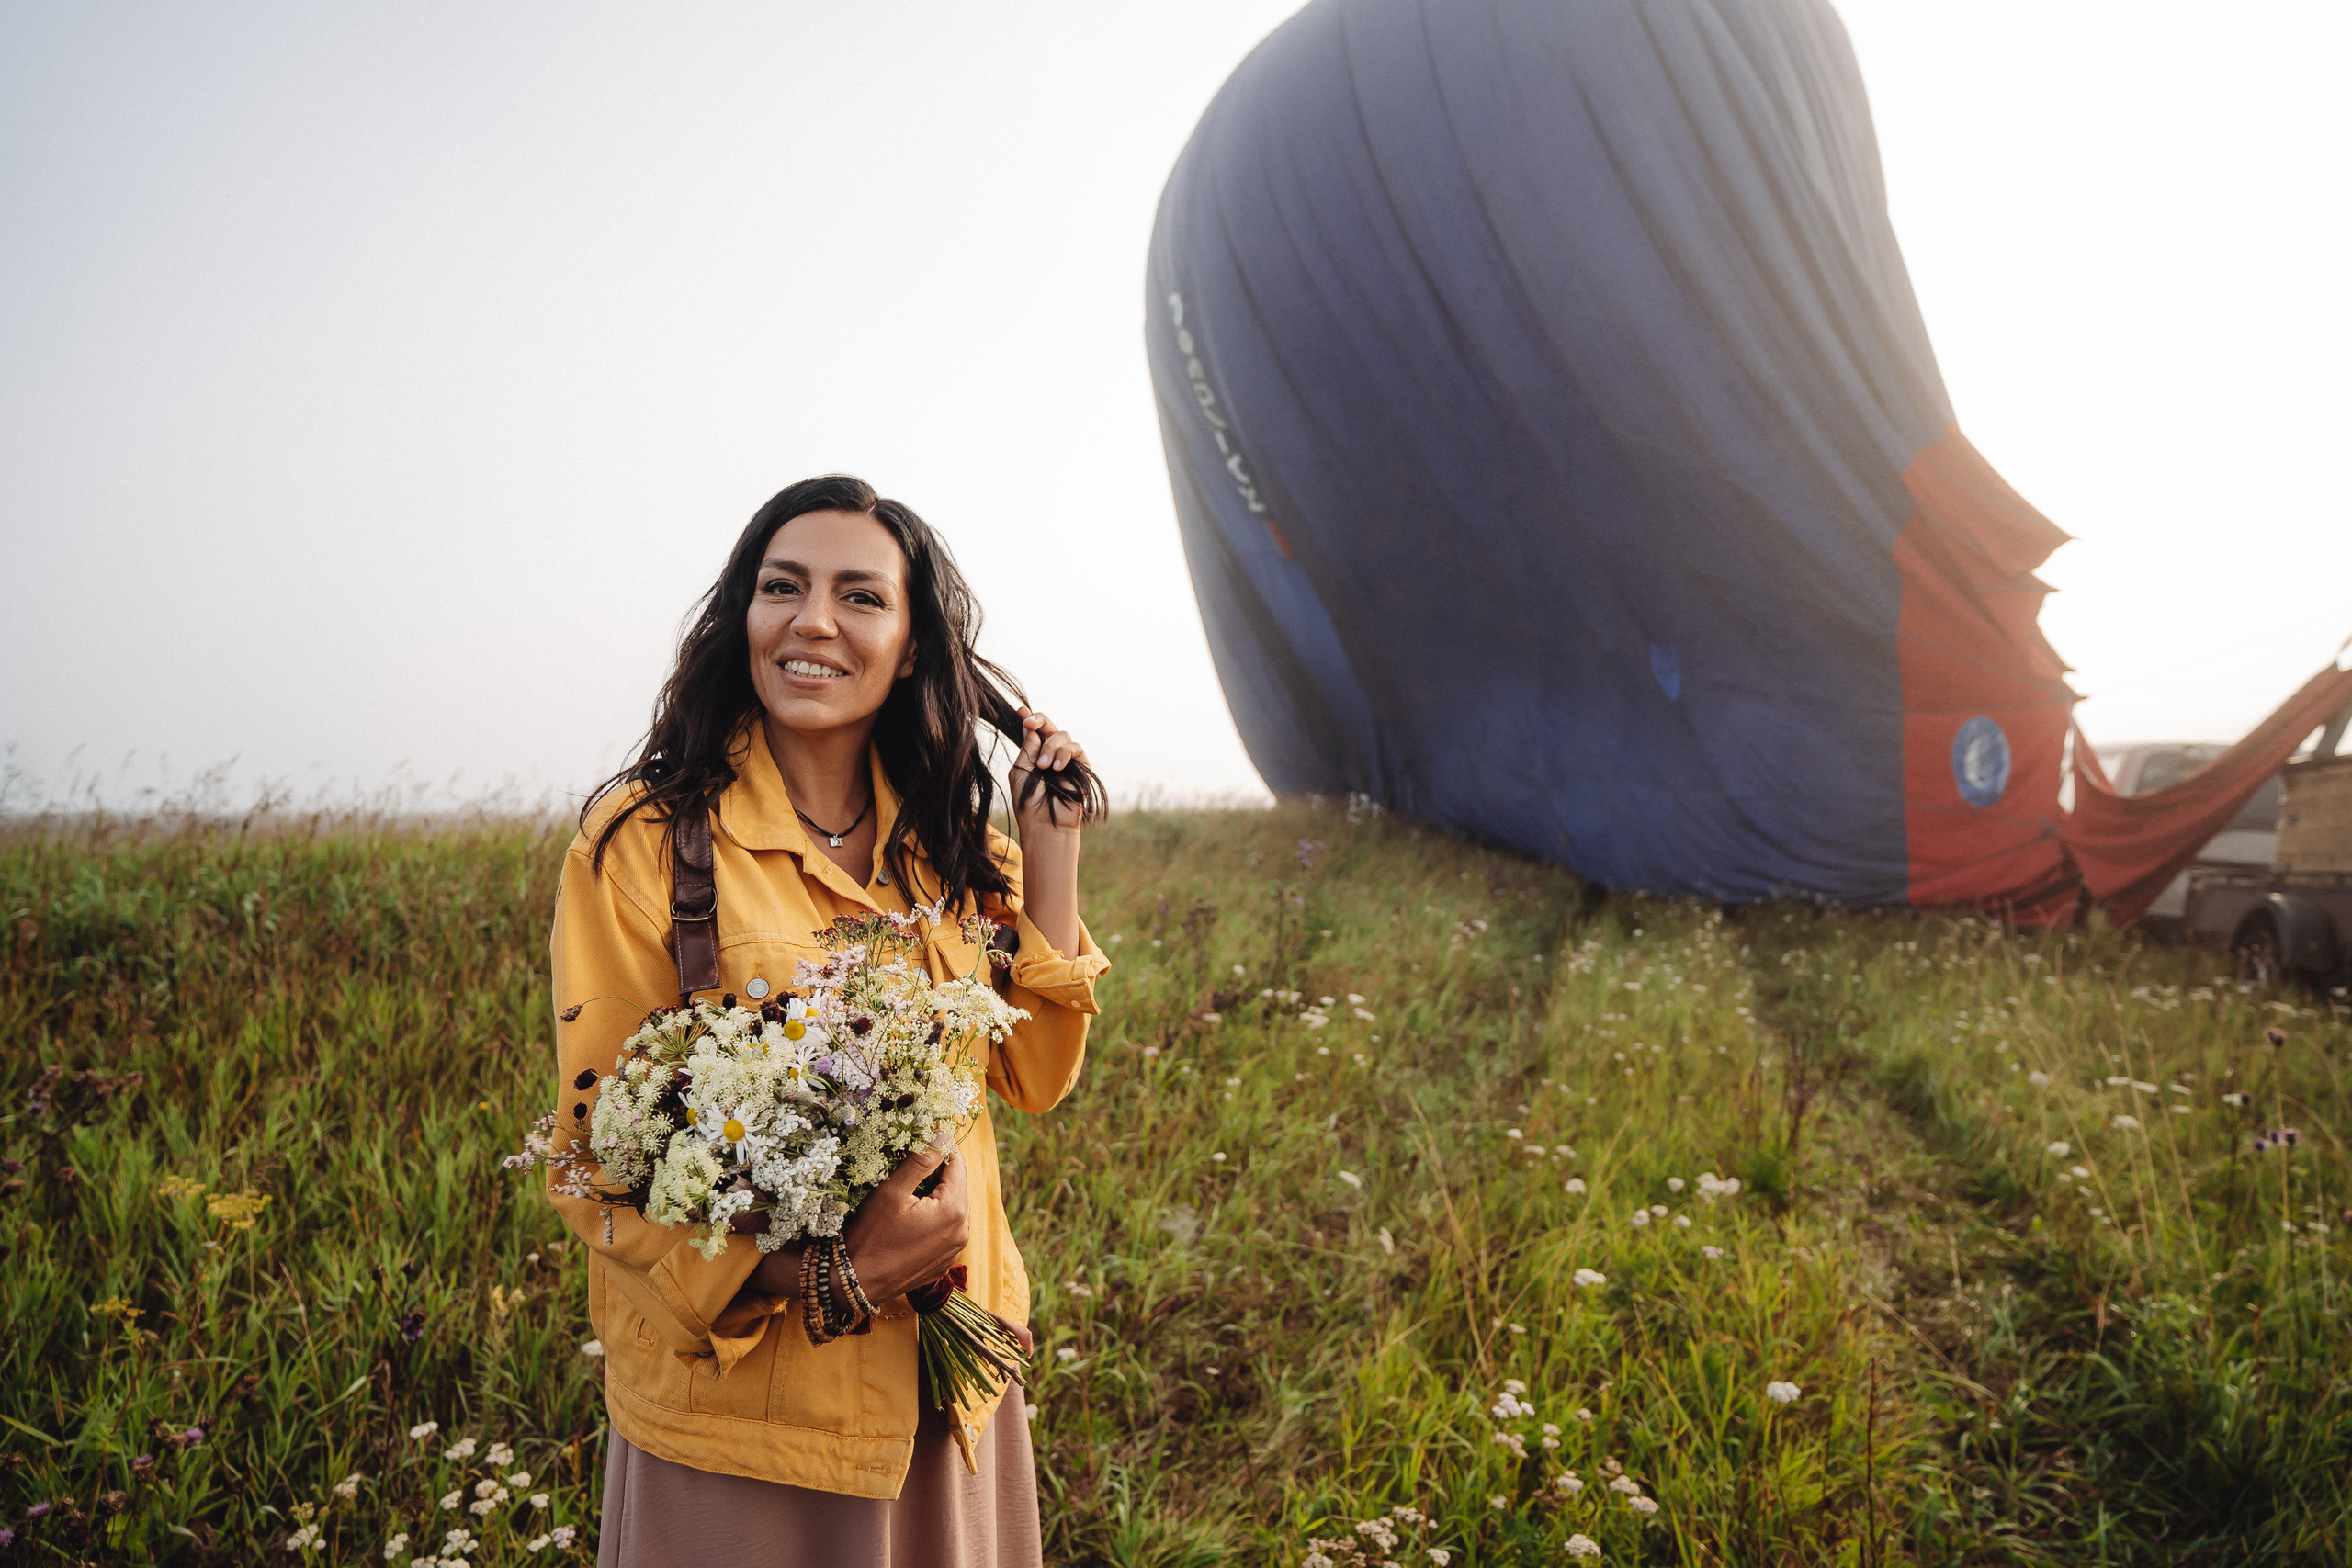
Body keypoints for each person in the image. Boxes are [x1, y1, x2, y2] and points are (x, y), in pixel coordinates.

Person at [546, 475, 1109, 1567]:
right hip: (748, 1412)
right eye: (781, 588)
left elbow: (1035, 1075)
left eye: (860, 596)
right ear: (740, 623)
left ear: (909, 646)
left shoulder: (952, 847)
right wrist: (823, 1276)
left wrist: (1050, 853)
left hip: (944, 1397)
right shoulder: (644, 843)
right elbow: (593, 1159)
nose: (813, 621)